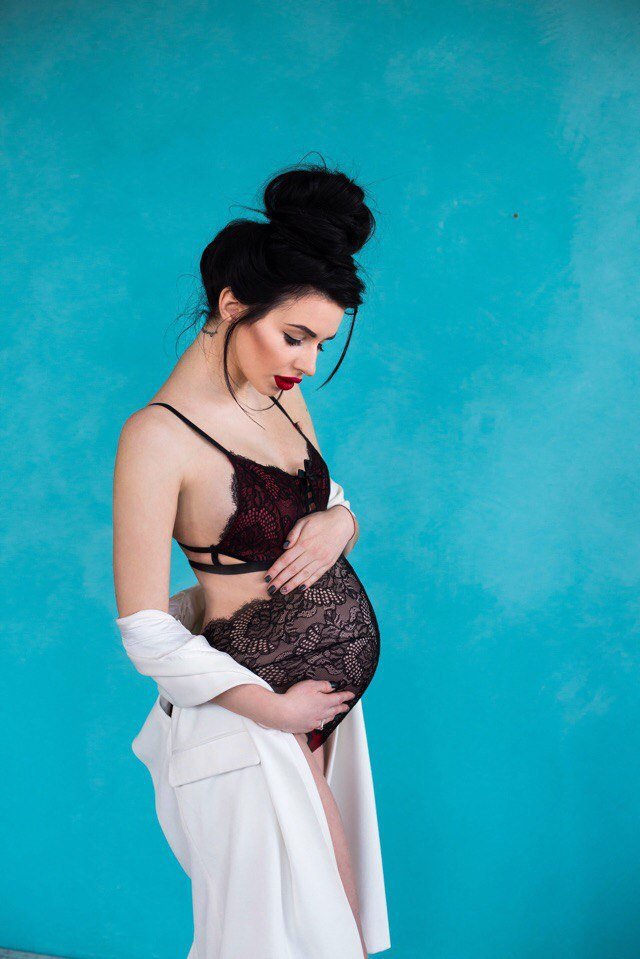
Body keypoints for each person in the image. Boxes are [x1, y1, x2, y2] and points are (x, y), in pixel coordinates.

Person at [113, 161, 390, 958]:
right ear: (233, 304)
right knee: (271, 940)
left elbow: (324, 501)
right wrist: (273, 711)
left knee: (331, 930)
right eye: (294, 336)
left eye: (321, 343)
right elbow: (144, 629)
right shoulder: (156, 437)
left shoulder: (280, 395)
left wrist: (342, 522)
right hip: (250, 718)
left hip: (315, 716)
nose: (307, 363)